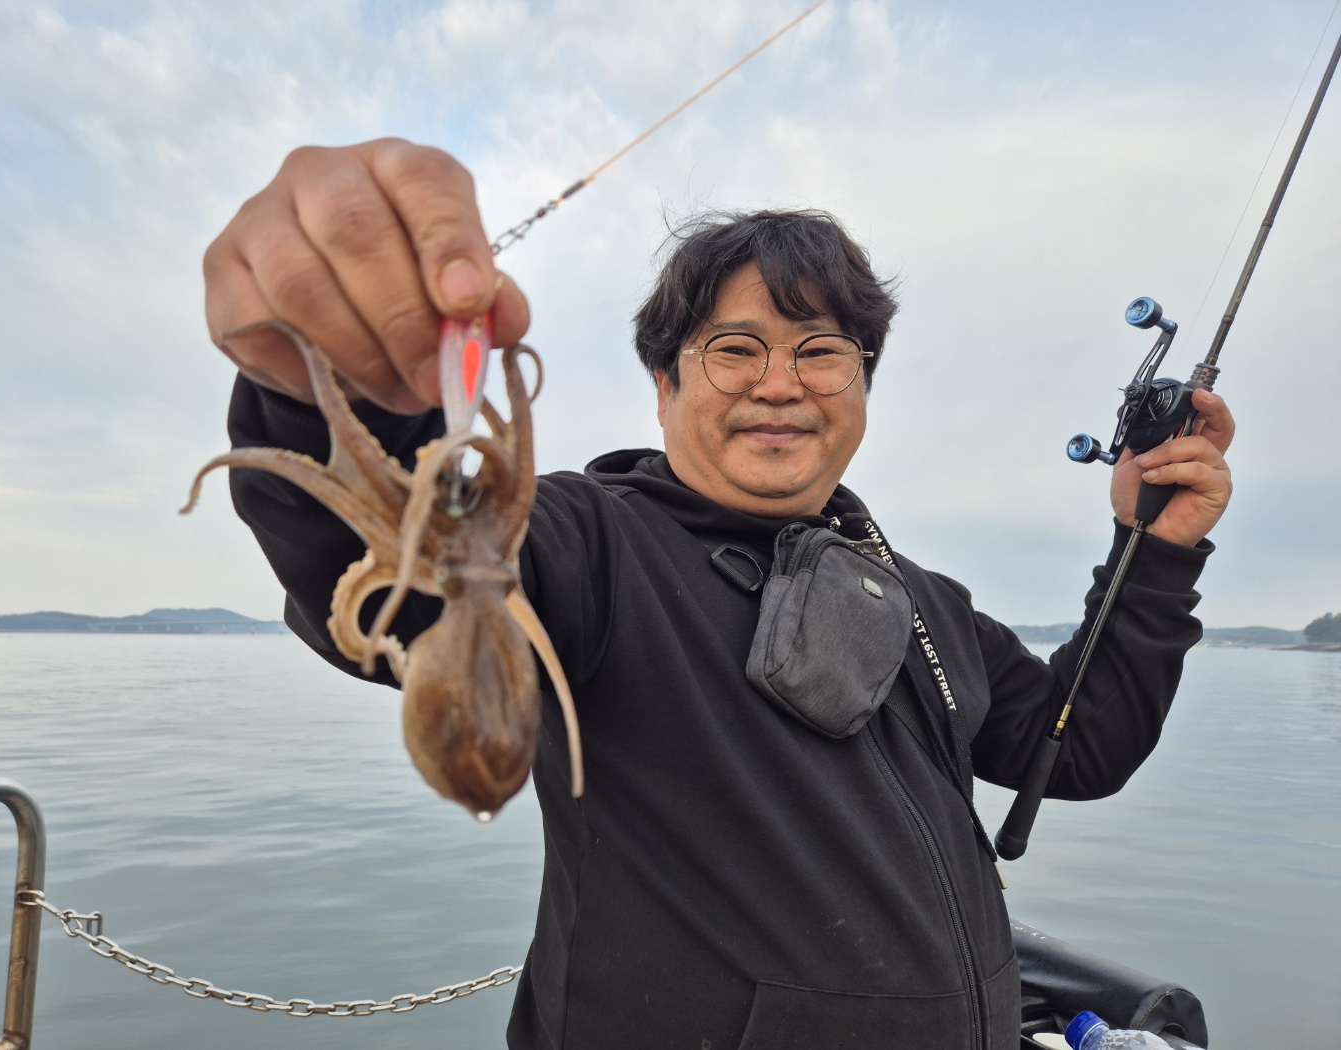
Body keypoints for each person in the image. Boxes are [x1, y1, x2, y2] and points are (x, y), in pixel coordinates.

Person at [204, 139, 1234, 1049]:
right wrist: (324, 370)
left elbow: (1076, 746)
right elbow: (385, 556)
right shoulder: (588, 545)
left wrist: (1150, 554)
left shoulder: (927, 605)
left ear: (862, 386)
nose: (779, 383)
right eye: (734, 349)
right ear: (664, 386)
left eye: (821, 352)